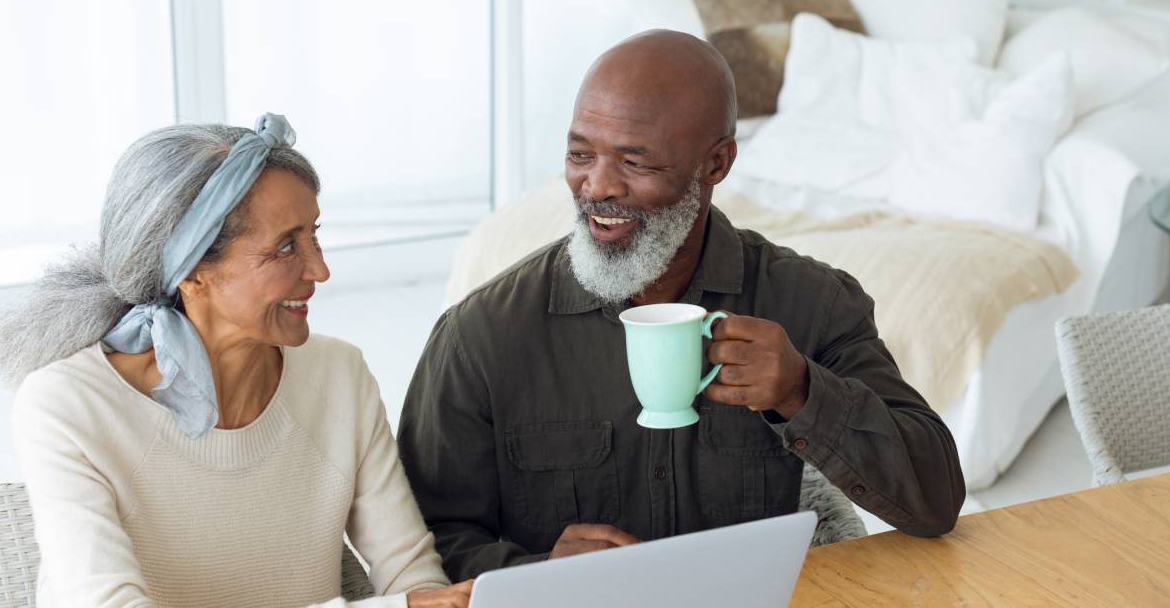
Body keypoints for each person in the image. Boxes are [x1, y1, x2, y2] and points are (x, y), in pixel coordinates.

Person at [399, 31, 965, 582]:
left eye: (635, 163)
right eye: (579, 154)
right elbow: (418, 552)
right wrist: (536, 574)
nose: (596, 187)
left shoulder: (810, 302)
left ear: (716, 164)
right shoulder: (481, 335)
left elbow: (934, 501)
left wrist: (801, 391)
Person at [0, 115, 472, 607]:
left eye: (313, 235)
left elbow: (412, 577)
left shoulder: (339, 375)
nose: (320, 269)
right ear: (192, 271)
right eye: (286, 246)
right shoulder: (67, 405)